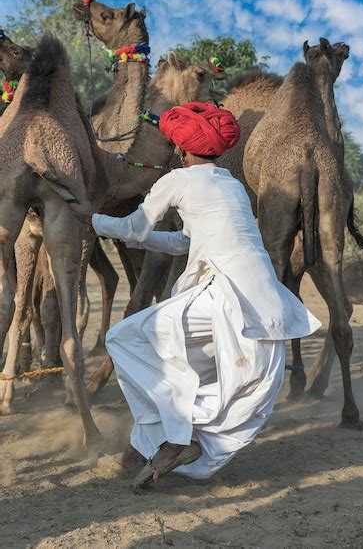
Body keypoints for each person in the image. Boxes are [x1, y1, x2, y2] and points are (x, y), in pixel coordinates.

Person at [71, 102, 321, 490]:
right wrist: (108, 229)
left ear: (181, 150)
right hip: (264, 300)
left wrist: (93, 219)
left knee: (124, 339)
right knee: (186, 364)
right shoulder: (230, 184)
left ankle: (175, 436)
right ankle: (144, 449)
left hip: (227, 297)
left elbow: (135, 230)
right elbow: (183, 242)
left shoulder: (178, 180)